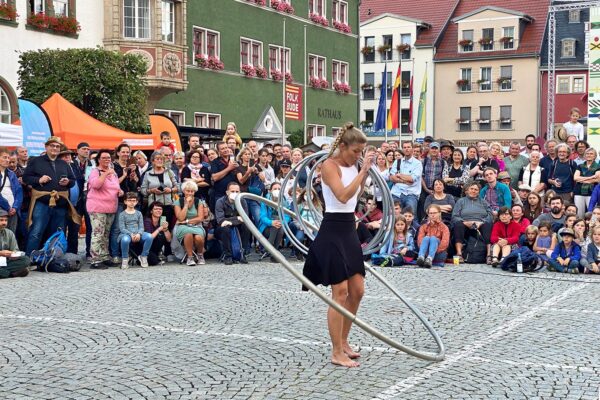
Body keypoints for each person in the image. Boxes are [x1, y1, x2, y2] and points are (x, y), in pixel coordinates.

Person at [302, 122, 373, 368]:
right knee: (339, 293)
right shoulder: (329, 166)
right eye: (355, 151)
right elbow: (342, 195)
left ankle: (344, 341)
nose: (358, 156)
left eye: (361, 152)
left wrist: (362, 172)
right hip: (332, 229)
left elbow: (356, 196)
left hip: (349, 229)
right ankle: (335, 351)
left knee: (358, 291)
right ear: (342, 146)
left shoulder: (353, 165)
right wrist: (363, 172)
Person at [22, 137, 77, 256]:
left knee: (58, 232)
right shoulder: (36, 161)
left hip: (60, 203)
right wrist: (38, 179)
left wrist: (67, 182)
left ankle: (53, 257)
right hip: (42, 202)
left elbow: (73, 181)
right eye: (52, 146)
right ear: (46, 147)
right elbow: (26, 178)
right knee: (36, 231)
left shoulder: (63, 163)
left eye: (57, 146)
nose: (55, 148)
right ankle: (30, 258)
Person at [87, 149, 123, 268]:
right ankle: (95, 260)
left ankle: (104, 256)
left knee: (106, 234)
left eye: (109, 158)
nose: (107, 160)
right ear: (98, 160)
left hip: (110, 207)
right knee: (98, 233)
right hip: (98, 207)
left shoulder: (114, 173)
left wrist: (119, 191)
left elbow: (115, 187)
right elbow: (96, 185)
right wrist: (106, 173)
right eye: (104, 158)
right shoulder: (95, 171)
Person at [451, 182, 494, 263]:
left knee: (487, 225)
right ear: (467, 190)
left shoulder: (483, 202)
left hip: (480, 224)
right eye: (472, 189)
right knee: (458, 225)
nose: (473, 191)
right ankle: (459, 254)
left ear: (478, 192)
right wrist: (464, 222)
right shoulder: (461, 201)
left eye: (476, 190)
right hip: (465, 224)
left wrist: (482, 222)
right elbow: (455, 216)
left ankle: (489, 255)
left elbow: (490, 215)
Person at [140, 152, 179, 230]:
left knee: (167, 228)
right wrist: (152, 190)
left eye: (161, 159)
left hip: (168, 205)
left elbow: (178, 187)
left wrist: (170, 190)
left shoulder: (169, 172)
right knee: (155, 228)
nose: (160, 161)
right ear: (153, 161)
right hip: (155, 206)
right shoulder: (148, 174)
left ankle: (167, 242)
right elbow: (143, 190)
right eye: (157, 159)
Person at [215, 182, 250, 265]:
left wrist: (230, 221)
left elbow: (245, 218)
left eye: (237, 191)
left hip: (237, 226)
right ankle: (228, 256)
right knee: (225, 228)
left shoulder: (243, 201)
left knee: (246, 227)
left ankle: (242, 253)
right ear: (227, 192)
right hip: (221, 228)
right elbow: (220, 220)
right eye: (232, 191)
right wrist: (237, 218)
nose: (235, 193)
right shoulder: (220, 202)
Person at [174, 180, 208, 266]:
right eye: (188, 191)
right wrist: (186, 205)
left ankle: (200, 255)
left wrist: (186, 221)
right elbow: (180, 217)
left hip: (196, 225)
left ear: (194, 192)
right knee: (188, 233)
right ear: (183, 191)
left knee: (198, 238)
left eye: (192, 191)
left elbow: (200, 218)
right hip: (182, 227)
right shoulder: (178, 202)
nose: (190, 193)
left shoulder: (198, 201)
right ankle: (190, 257)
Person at [117, 192, 153, 269]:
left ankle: (143, 256)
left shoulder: (139, 213)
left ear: (137, 202)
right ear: (125, 201)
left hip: (138, 233)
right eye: (129, 200)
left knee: (149, 236)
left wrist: (139, 234)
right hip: (126, 234)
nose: (131, 202)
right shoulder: (122, 214)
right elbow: (122, 228)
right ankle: (125, 259)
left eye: (134, 200)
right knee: (125, 240)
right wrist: (131, 234)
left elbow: (141, 227)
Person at [258, 182, 291, 263]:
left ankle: (270, 251)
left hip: (279, 225)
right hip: (266, 227)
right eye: (275, 189)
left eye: (279, 189)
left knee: (280, 228)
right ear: (270, 190)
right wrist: (271, 222)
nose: (277, 190)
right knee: (275, 224)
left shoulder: (285, 201)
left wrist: (282, 222)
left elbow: (287, 216)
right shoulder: (265, 201)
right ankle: (273, 251)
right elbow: (262, 217)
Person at [389, 141, 422, 215]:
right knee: (393, 216)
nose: (406, 149)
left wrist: (399, 175)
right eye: (404, 147)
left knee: (410, 217)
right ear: (402, 149)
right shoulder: (397, 162)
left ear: (412, 149)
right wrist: (404, 181)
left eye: (408, 147)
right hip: (396, 193)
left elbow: (412, 179)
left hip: (411, 194)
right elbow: (391, 177)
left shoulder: (417, 163)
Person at [0, 209, 30, 279]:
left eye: (6, 220)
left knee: (26, 260)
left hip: (5, 261)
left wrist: (13, 254)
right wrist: (1, 253)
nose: (4, 223)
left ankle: (3, 272)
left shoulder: (9, 233)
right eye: (1, 220)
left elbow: (15, 250)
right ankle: (11, 274)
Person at [210, 142, 238, 211]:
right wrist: (229, 168)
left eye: (226, 147)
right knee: (220, 217)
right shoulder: (215, 162)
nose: (225, 150)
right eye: (222, 149)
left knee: (234, 215)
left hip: (233, 193)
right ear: (218, 151)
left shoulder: (234, 160)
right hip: (220, 194)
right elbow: (214, 177)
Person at [0, 147, 23, 234]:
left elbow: (19, 191)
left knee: (11, 235)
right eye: (4, 157)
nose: (7, 160)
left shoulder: (11, 173)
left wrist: (15, 207)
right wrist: (7, 207)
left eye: (8, 158)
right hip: (2, 208)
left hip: (13, 210)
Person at [573, 148, 600, 218]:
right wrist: (591, 177)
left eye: (591, 154)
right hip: (579, 192)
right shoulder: (580, 166)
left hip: (591, 193)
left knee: (591, 214)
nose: (589, 155)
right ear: (585, 155)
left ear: (595, 156)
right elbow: (575, 178)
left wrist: (581, 179)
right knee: (579, 214)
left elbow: (597, 180)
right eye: (587, 154)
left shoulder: (598, 167)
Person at [144, 201, 172, 266]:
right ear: (151, 211)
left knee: (162, 236)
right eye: (156, 209)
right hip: (146, 247)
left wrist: (165, 229)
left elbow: (169, 239)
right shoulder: (147, 221)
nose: (158, 210)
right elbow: (149, 238)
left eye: (160, 209)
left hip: (155, 247)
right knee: (153, 261)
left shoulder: (162, 221)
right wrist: (159, 229)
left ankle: (157, 254)